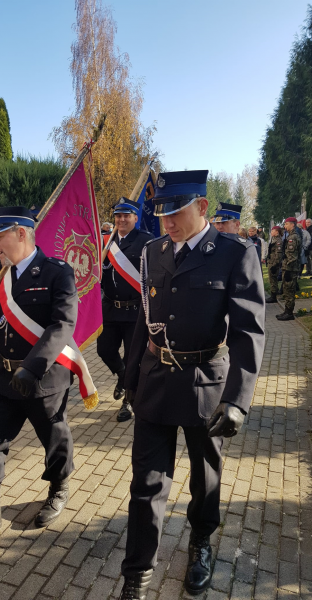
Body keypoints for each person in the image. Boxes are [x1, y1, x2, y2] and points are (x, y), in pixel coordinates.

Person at [118, 171, 265, 599]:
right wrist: (130, 379)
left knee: (205, 478)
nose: (166, 222)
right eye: (161, 213)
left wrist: (238, 400)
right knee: (146, 483)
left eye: (176, 213)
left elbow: (248, 332)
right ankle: (138, 571)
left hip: (206, 386)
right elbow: (143, 321)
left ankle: (200, 542)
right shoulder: (152, 251)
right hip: (156, 381)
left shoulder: (234, 254)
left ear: (202, 208)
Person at [0, 207, 79, 540]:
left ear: (21, 234)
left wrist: (32, 368)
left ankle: (58, 489)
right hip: (4, 378)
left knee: (54, 440)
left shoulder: (56, 272)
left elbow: (63, 324)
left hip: (44, 377)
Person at [97, 198, 154, 422]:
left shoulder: (147, 242)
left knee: (133, 358)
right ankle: (122, 376)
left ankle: (128, 402)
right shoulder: (105, 241)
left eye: (126, 215)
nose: (121, 219)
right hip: (110, 309)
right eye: (118, 216)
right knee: (104, 349)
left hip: (135, 312)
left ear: (135, 218)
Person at [276, 217, 301, 321]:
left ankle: (289, 313)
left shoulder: (293, 237)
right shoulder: (290, 236)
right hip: (287, 267)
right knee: (286, 290)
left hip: (291, 268)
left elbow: (292, 256)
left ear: (292, 225)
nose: (285, 226)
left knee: (289, 291)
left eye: (286, 224)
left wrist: (289, 270)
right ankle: (286, 311)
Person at [266, 226, 283, 303]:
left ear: (277, 232)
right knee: (272, 279)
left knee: (273, 279)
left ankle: (274, 296)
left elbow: (278, 254)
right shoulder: (274, 239)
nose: (271, 232)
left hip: (274, 263)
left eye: (273, 231)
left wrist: (275, 265)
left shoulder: (278, 241)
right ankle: (273, 294)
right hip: (271, 261)